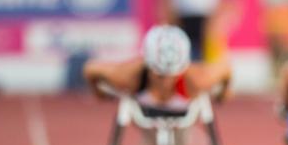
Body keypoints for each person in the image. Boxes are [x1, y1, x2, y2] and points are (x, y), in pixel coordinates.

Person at [83, 25, 232, 112]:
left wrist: (223, 94)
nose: (166, 81)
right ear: (148, 66)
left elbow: (226, 70)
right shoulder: (129, 75)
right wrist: (100, 94)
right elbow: (90, 69)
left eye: (173, 74)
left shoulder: (197, 79)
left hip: (181, 113)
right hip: (145, 113)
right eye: (160, 75)